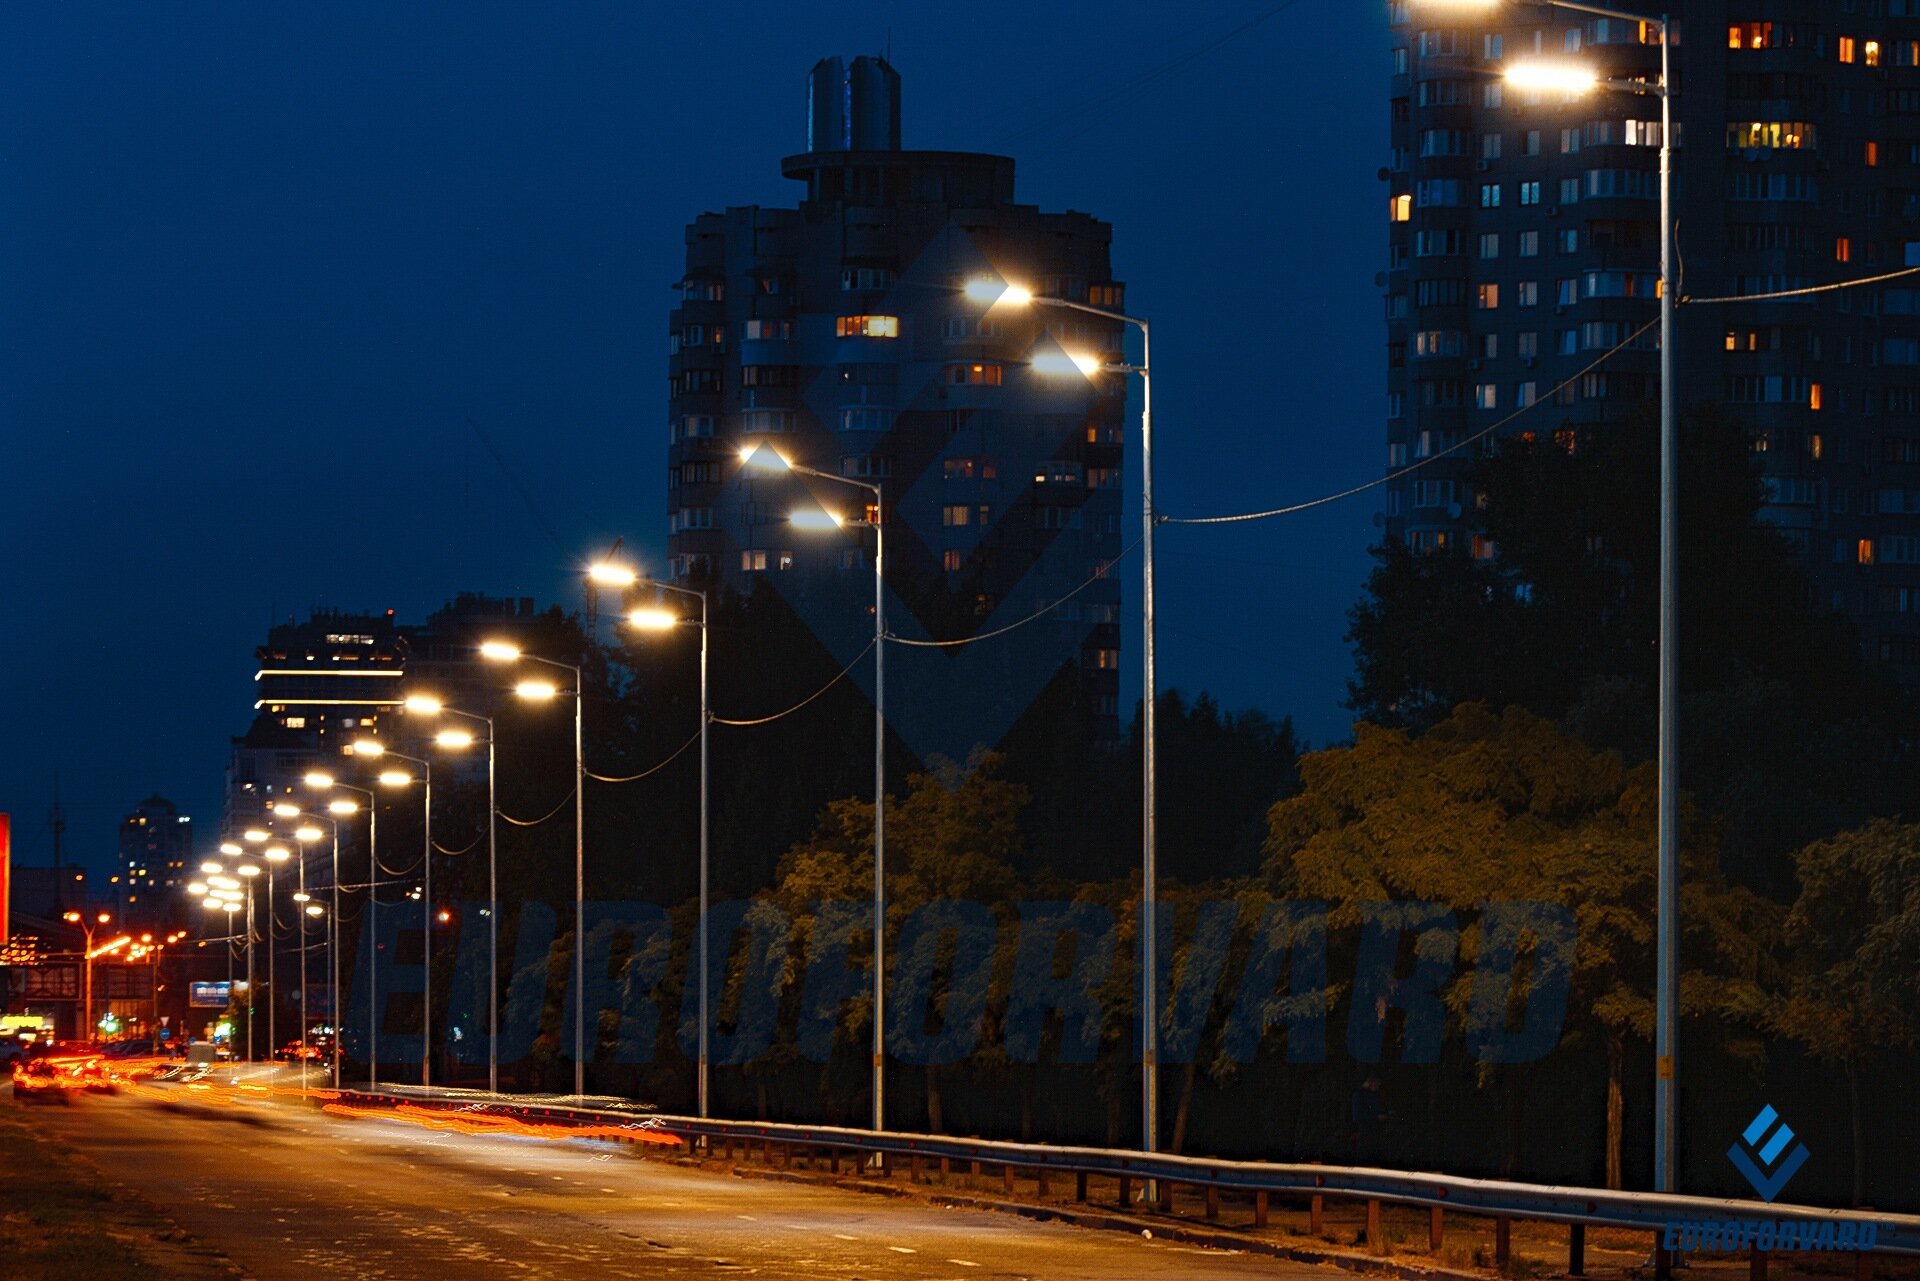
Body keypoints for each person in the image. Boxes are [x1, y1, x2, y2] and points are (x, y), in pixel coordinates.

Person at [1350, 1074, 1385, 1165]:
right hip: (1364, 1130)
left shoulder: (1372, 1095)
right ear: (1371, 1082)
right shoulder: (1359, 1095)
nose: (1377, 1088)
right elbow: (1357, 1116)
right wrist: (1375, 1117)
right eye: (1376, 1085)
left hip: (1372, 1130)